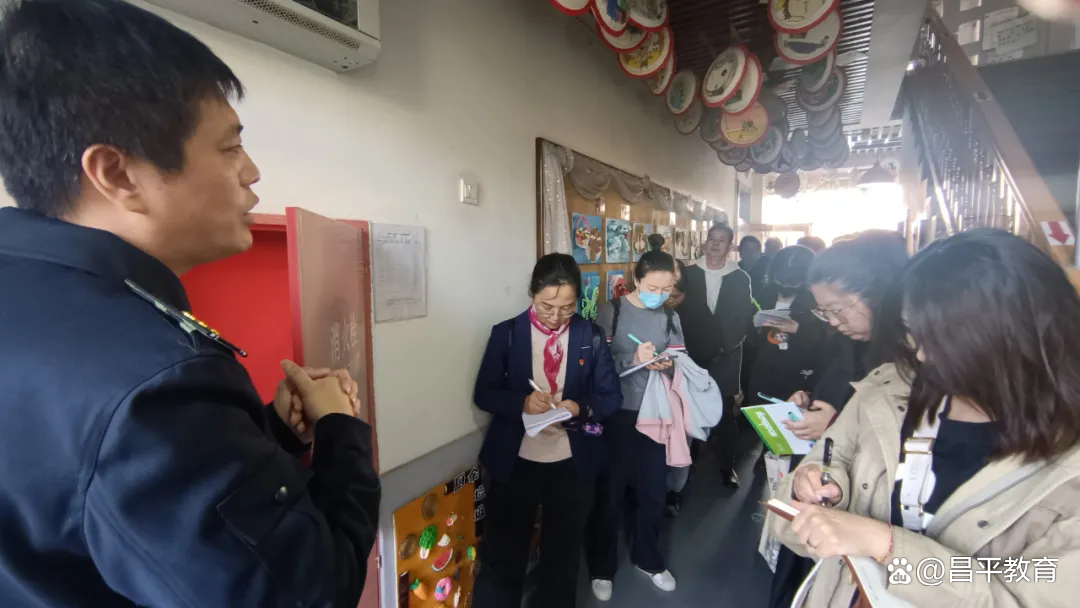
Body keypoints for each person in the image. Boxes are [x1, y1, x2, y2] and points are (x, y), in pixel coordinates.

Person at [0, 1, 380, 606]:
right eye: (230, 148)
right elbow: (311, 592)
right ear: (118, 174)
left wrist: (270, 435)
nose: (252, 172)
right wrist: (342, 430)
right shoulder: (156, 382)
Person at [770, 229, 1080, 607]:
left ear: (1013, 336)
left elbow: (1025, 595)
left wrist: (886, 546)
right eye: (913, 333)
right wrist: (818, 486)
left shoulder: (1068, 471)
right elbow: (808, 488)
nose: (921, 355)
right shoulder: (885, 391)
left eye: (940, 338)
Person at [765, 230, 909, 608]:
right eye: (823, 312)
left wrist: (833, 424)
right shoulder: (851, 340)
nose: (831, 321)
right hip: (826, 492)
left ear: (878, 294)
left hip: (870, 534)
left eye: (837, 309)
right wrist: (808, 401)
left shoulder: (905, 362)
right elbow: (833, 386)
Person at [472, 253, 622, 608]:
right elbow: (485, 393)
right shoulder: (507, 333)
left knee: (563, 556)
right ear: (532, 293)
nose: (556, 317)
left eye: (567, 308)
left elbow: (610, 396)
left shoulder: (589, 335)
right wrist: (522, 402)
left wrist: (580, 407)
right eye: (546, 306)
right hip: (516, 458)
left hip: (570, 460)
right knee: (503, 554)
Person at [587, 251, 685, 599]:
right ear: (637, 280)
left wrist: (668, 365)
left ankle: (648, 559)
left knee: (653, 492)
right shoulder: (611, 311)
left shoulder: (670, 316)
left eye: (667, 288)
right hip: (616, 414)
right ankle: (602, 568)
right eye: (653, 288)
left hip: (656, 414)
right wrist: (633, 359)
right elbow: (595, 364)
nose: (660, 295)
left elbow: (681, 359)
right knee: (609, 494)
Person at [677, 224, 756, 487]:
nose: (715, 244)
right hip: (691, 353)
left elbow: (743, 317)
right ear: (704, 242)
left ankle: (726, 465)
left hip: (726, 353)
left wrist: (725, 346)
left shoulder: (740, 277)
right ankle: (687, 462)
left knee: (724, 411)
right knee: (688, 407)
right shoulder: (689, 273)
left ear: (730, 246)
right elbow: (680, 312)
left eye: (721, 241)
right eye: (711, 239)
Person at [745, 245, 828, 408]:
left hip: (798, 380)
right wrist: (757, 327)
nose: (785, 283)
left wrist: (799, 329)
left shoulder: (817, 302)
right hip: (761, 374)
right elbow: (750, 337)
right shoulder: (764, 295)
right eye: (781, 277)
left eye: (793, 278)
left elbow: (828, 345)